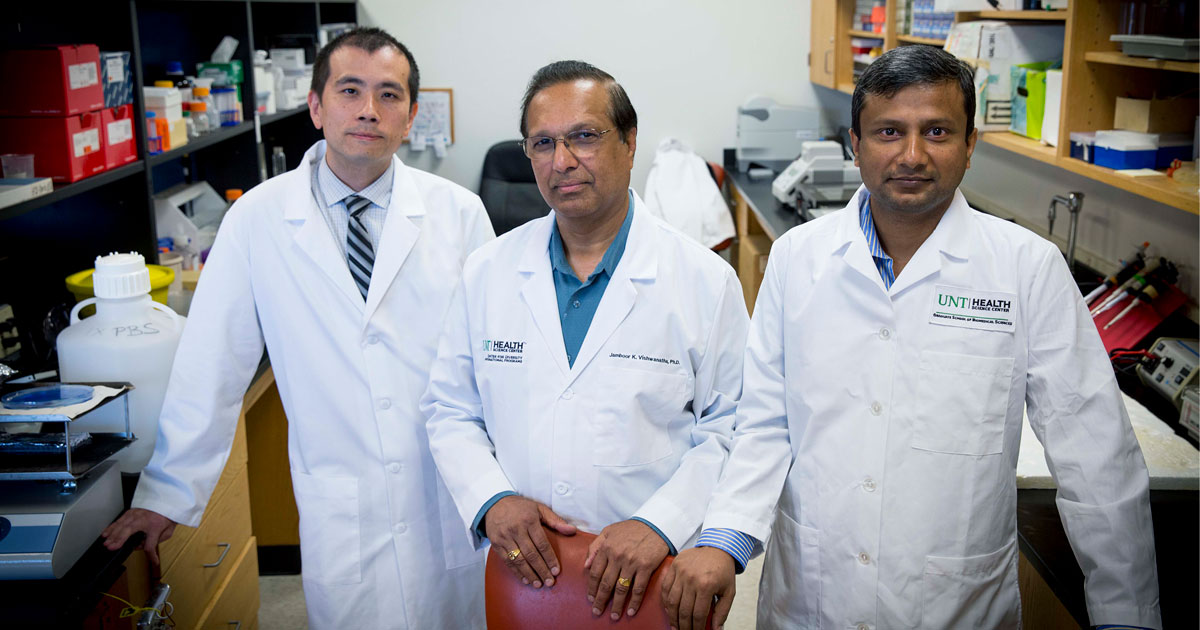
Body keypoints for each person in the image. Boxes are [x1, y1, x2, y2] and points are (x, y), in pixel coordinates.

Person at [663, 45, 1161, 630]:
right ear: (856, 144)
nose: (912, 155)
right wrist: (726, 536)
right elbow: (765, 419)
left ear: (970, 145)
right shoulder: (799, 257)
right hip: (815, 594)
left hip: (957, 604)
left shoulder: (1027, 268)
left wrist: (1126, 612)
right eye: (889, 131)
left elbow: (1096, 454)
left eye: (938, 131)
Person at [100, 28, 495, 629]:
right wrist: (167, 494)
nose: (369, 109)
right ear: (315, 106)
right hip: (343, 501)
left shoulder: (459, 213)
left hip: (449, 491)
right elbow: (211, 363)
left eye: (389, 94)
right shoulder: (256, 220)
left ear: (411, 116)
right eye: (350, 90)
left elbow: (494, 361)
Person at [421, 60, 748, 622]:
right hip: (525, 574)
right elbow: (450, 408)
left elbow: (731, 426)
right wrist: (491, 500)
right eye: (543, 143)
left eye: (585, 137)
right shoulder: (488, 271)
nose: (562, 161)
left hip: (651, 574)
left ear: (630, 141)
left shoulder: (703, 279)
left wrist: (659, 523)